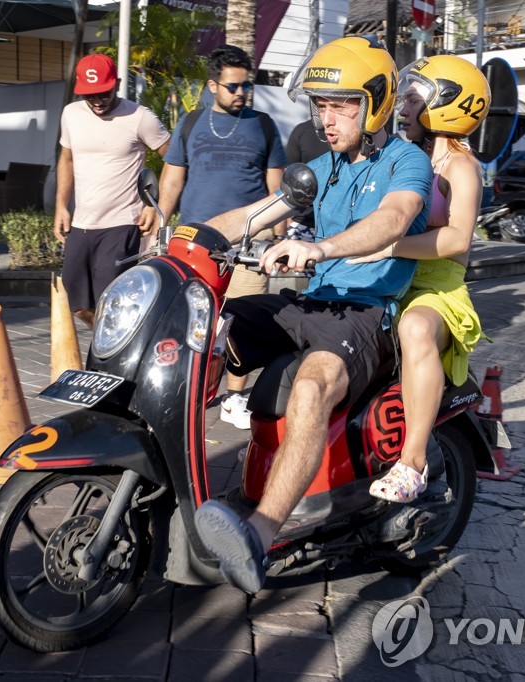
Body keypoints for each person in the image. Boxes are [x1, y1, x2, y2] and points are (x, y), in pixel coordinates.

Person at [192, 36, 433, 594]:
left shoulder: (406, 161)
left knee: (311, 387)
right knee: (206, 330)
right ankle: (179, 477)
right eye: (320, 106)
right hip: (310, 302)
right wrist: (188, 240)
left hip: (365, 312)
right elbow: (257, 213)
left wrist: (321, 249)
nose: (327, 118)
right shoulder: (320, 168)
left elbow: (395, 219)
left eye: (341, 104)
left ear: (374, 103)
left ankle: (258, 535)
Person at [360, 55, 491, 503]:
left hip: (438, 288)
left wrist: (387, 246)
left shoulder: (461, 166)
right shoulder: (408, 157)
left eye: (414, 99)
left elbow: (456, 239)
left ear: (447, 105)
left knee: (415, 328)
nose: (401, 107)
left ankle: (412, 462)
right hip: (392, 280)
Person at [157, 44, 287, 430]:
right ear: (213, 85)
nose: (242, 93)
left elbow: (275, 187)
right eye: (233, 86)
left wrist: (277, 239)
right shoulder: (191, 123)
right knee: (192, 319)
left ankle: (234, 397)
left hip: (249, 243)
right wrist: (163, 224)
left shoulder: (263, 125)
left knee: (238, 322)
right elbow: (173, 176)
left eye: (247, 85)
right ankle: (189, 389)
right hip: (195, 241)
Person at [54, 53, 171, 327]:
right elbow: (66, 159)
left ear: (116, 84)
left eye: (103, 94)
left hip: (122, 225)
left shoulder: (140, 117)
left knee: (113, 302)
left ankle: (112, 357)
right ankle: (112, 343)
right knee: (78, 303)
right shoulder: (71, 114)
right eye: (89, 95)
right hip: (81, 225)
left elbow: (175, 159)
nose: (96, 101)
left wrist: (155, 206)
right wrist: (61, 206)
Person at [284, 118, 331, 242]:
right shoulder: (302, 131)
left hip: (341, 227)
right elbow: (289, 181)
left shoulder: (355, 138)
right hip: (304, 222)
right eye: (321, 105)